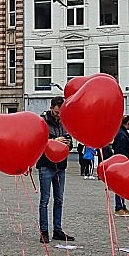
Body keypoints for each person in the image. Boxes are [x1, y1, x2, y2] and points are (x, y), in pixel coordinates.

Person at [36, 97, 73, 243]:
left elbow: (69, 144)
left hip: (61, 165)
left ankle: (57, 229)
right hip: (46, 165)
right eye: (57, 112)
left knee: (59, 199)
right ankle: (44, 232)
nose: (59, 115)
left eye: (61, 112)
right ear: (51, 108)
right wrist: (53, 141)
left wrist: (68, 143)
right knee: (44, 200)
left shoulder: (65, 122)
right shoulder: (42, 122)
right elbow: (37, 142)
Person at [113, 116, 129, 217]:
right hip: (123, 162)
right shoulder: (121, 134)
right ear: (128, 122)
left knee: (122, 186)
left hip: (123, 161)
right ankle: (119, 207)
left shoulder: (121, 132)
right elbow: (122, 149)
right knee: (120, 186)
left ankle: (122, 205)